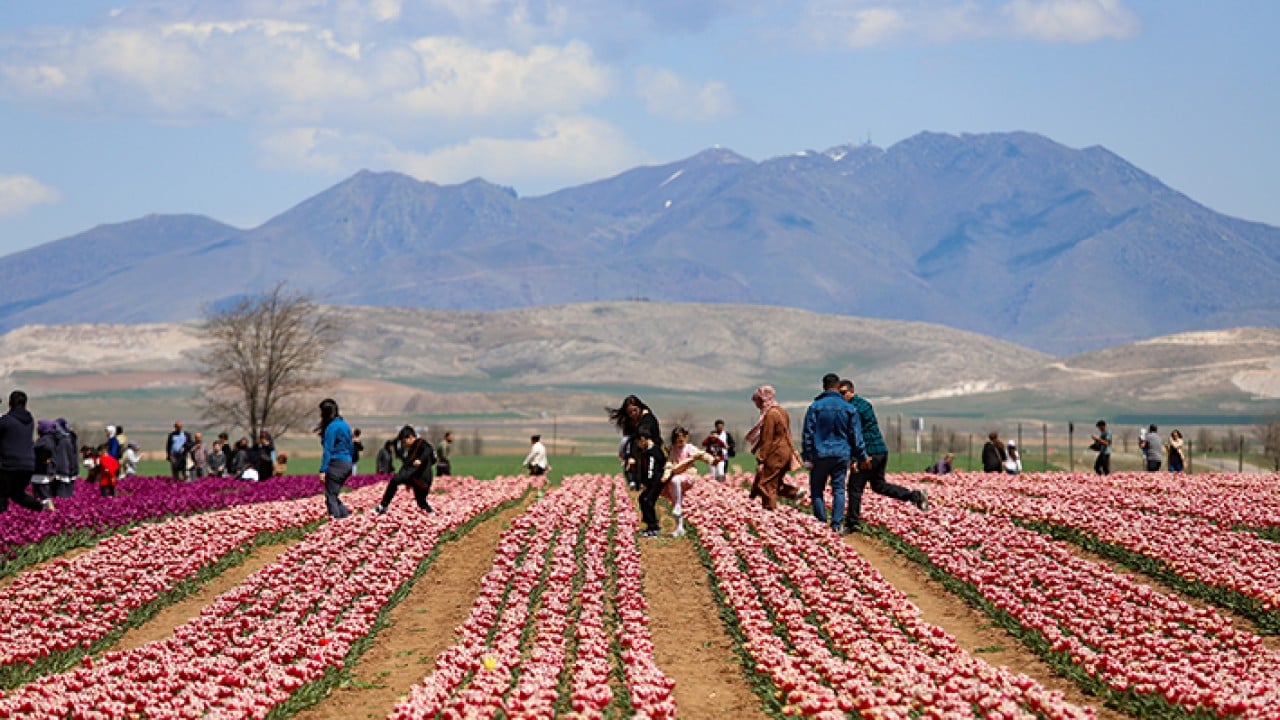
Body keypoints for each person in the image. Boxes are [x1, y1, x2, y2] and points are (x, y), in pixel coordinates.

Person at [839, 379, 927, 533]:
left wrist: (855, 459)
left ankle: (852, 524)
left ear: (851, 391)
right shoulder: (865, 404)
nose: (841, 396)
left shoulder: (853, 409)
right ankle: (914, 496)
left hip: (868, 453)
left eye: (843, 393)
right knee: (878, 485)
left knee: (854, 487)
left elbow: (856, 436)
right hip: (881, 451)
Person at [801, 373, 866, 531]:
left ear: (824, 387)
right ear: (838, 387)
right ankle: (836, 525)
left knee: (817, 489)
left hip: (819, 455)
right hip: (841, 455)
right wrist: (861, 456)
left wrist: (807, 455)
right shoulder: (849, 408)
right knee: (839, 489)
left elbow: (808, 434)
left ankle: (821, 524)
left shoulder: (815, 407)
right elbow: (856, 436)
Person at [746, 385, 800, 511]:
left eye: (757, 401)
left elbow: (767, 439)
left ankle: (770, 512)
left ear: (763, 399)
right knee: (773, 483)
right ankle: (794, 492)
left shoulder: (770, 414)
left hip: (775, 453)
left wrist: (761, 458)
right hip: (785, 451)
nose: (756, 404)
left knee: (765, 485)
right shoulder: (782, 411)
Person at [662, 426, 716, 537]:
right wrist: (666, 474)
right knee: (676, 498)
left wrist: (712, 460)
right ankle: (679, 527)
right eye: (677, 442)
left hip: (687, 476)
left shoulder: (689, 448)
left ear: (686, 438)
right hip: (675, 479)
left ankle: (677, 506)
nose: (679, 444)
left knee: (676, 482)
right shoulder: (673, 449)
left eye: (681, 441)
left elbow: (702, 455)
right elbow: (669, 463)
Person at [0, 391, 48, 514]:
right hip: (28, 465)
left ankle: (3, 521)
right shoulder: (30, 421)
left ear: (10, 403)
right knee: (17, 495)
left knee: (2, 494)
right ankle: (41, 508)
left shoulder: (6, 421)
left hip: (9, 464)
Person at [375, 425, 436, 515]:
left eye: (404, 442)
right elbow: (407, 465)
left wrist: (420, 459)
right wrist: (407, 481)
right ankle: (432, 514)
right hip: (420, 479)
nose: (404, 445)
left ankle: (383, 506)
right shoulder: (413, 448)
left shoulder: (420, 442)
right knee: (421, 503)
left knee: (395, 481)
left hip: (421, 478)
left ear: (411, 437)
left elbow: (429, 449)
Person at [608, 395, 661, 491]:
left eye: (634, 410)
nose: (632, 414)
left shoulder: (648, 418)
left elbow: (646, 434)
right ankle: (633, 482)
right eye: (629, 412)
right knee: (628, 460)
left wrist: (642, 440)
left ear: (639, 407)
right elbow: (629, 438)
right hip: (635, 445)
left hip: (652, 446)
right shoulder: (629, 421)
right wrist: (630, 455)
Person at [317, 398, 354, 519]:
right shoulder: (345, 425)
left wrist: (323, 470)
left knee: (330, 497)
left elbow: (328, 450)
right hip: (347, 463)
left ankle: (337, 522)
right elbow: (351, 447)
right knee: (333, 494)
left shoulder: (331, 428)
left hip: (336, 464)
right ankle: (346, 519)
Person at [634, 429, 667, 538]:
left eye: (638, 442)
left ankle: (654, 527)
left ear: (643, 440)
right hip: (651, 481)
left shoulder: (653, 452)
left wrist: (646, 483)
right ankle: (649, 526)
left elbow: (650, 470)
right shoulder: (648, 451)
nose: (637, 445)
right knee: (642, 499)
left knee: (648, 501)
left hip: (655, 481)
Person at [31, 420, 58, 503]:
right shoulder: (50, 439)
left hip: (41, 471)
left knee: (43, 495)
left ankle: (50, 512)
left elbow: (46, 448)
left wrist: (44, 458)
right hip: (45, 470)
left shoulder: (45, 440)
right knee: (43, 494)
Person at [52, 418, 79, 499]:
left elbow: (71, 456)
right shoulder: (68, 439)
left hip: (59, 471)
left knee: (59, 496)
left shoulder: (62, 440)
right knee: (65, 496)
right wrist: (74, 470)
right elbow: (73, 457)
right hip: (65, 471)